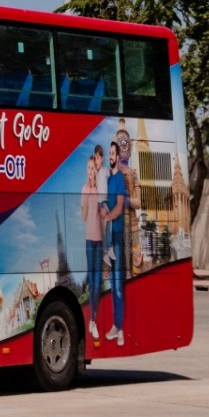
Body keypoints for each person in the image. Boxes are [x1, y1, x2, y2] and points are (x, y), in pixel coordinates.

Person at [100, 142, 130, 344]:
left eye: (113, 153)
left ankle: (119, 327)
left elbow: (119, 207)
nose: (111, 156)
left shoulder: (119, 179)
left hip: (117, 237)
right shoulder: (108, 180)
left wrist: (107, 216)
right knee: (112, 286)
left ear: (118, 157)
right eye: (109, 153)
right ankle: (115, 326)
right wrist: (102, 207)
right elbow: (106, 203)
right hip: (108, 237)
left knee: (118, 286)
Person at [81, 145, 104, 338]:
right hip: (89, 241)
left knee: (97, 283)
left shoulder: (100, 189)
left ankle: (93, 320)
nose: (90, 171)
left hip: (100, 240)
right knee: (93, 282)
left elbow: (103, 214)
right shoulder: (85, 189)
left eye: (92, 168)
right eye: (88, 169)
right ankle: (93, 320)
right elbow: (83, 215)